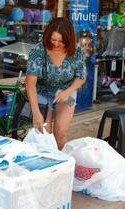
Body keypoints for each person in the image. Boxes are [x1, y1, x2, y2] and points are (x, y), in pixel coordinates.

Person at [25, 17, 86, 150]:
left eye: (61, 41)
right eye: (53, 40)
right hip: (42, 93)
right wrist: (35, 113)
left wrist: (68, 91)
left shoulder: (76, 52)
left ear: (68, 40)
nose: (56, 44)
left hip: (66, 92)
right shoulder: (38, 51)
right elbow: (30, 83)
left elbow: (81, 76)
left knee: (60, 132)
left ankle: (61, 165)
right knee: (43, 134)